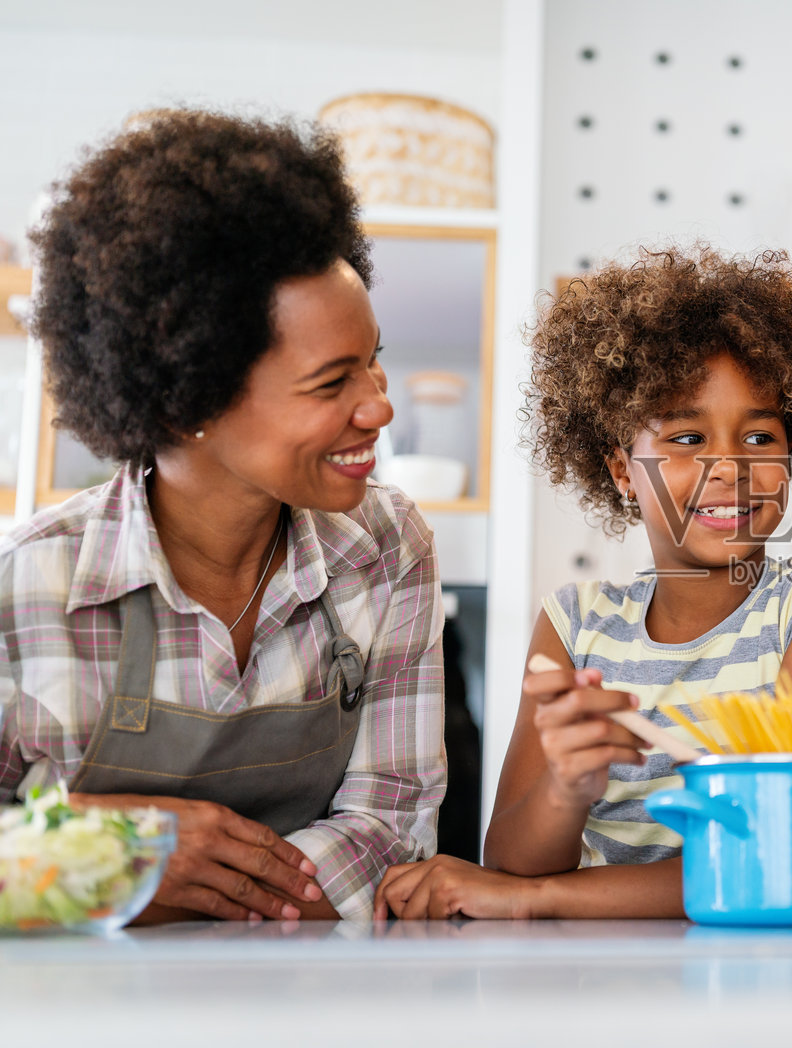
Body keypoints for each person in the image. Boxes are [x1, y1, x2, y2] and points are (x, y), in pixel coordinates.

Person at [1, 111, 446, 922]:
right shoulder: (27, 581)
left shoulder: (386, 547)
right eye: (331, 382)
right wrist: (116, 860)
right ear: (186, 399)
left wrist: (202, 888)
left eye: (373, 362)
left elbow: (392, 825)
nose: (379, 408)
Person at [375, 246, 792, 919]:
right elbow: (513, 860)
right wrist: (567, 786)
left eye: (760, 439)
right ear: (620, 469)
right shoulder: (575, 626)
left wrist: (545, 899)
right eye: (687, 438)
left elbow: (784, 859)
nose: (727, 466)